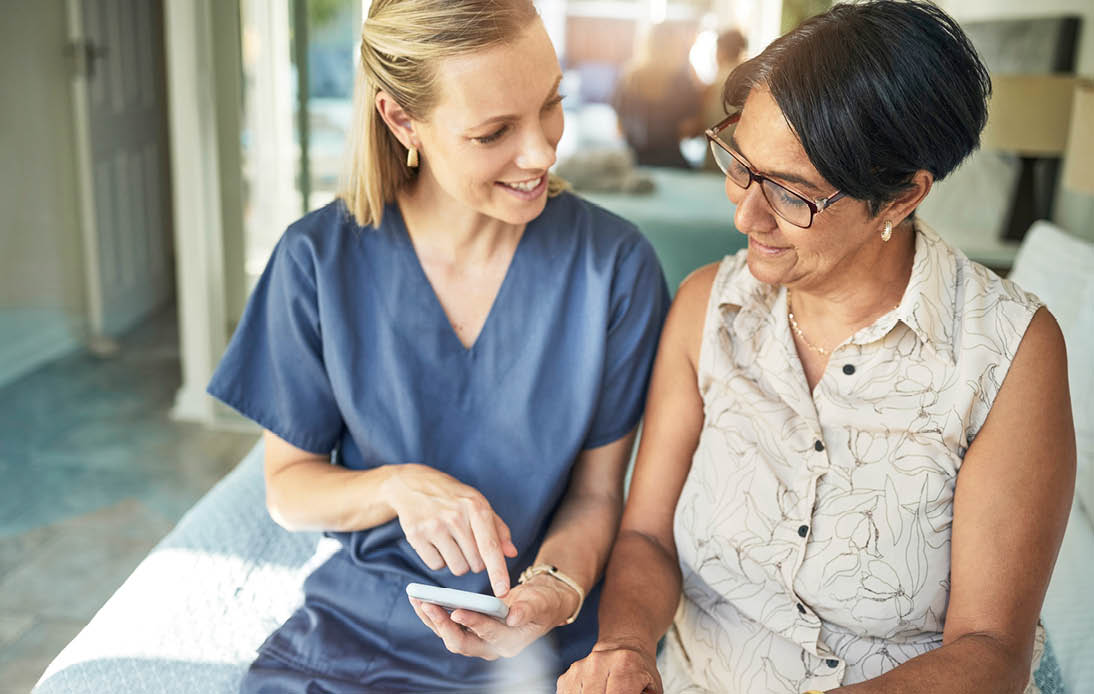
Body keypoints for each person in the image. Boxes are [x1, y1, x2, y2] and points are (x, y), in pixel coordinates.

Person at [558, 2, 1075, 693]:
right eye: (741, 165)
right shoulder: (708, 308)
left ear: (899, 198)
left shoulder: (1007, 352)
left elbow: (989, 651)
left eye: (791, 193)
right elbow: (647, 537)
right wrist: (626, 647)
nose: (744, 214)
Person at [207, 1, 670, 691]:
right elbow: (289, 489)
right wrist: (397, 487)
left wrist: (553, 590)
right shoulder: (316, 260)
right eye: (494, 132)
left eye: (552, 104)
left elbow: (597, 496)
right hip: (359, 633)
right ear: (401, 120)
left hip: (541, 642)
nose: (544, 151)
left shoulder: (614, 267)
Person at [611, 21, 705, 169]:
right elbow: (690, 129)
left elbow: (619, 129)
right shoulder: (682, 81)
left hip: (633, 163)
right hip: (672, 163)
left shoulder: (628, 78)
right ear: (676, 46)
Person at [701, 28, 747, 171]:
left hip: (716, 160)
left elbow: (701, 125)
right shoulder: (752, 84)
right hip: (742, 165)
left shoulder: (712, 86)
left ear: (721, 51)